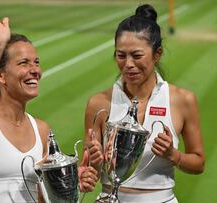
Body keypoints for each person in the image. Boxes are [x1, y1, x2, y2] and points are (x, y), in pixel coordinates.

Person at [0, 2, 96, 202]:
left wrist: (70, 185)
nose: (35, 70)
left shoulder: (41, 129)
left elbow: (43, 198)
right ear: (0, 75)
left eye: (36, 62)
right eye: (24, 63)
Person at [82, 4, 205, 203]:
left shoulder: (182, 100)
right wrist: (89, 169)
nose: (128, 64)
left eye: (137, 55)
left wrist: (173, 155)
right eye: (121, 55)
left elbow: (198, 163)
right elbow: (89, 169)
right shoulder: (98, 103)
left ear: (157, 54)